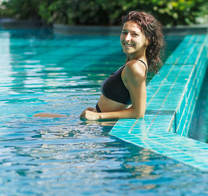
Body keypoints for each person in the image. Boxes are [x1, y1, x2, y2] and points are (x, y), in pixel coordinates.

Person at [34, 11, 164, 120]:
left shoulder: (135, 67)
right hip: (93, 120)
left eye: (134, 34)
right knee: (39, 116)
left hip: (96, 126)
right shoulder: (135, 63)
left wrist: (99, 116)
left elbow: (138, 113)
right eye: (124, 32)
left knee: (38, 119)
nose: (127, 38)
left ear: (147, 40)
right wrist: (96, 111)